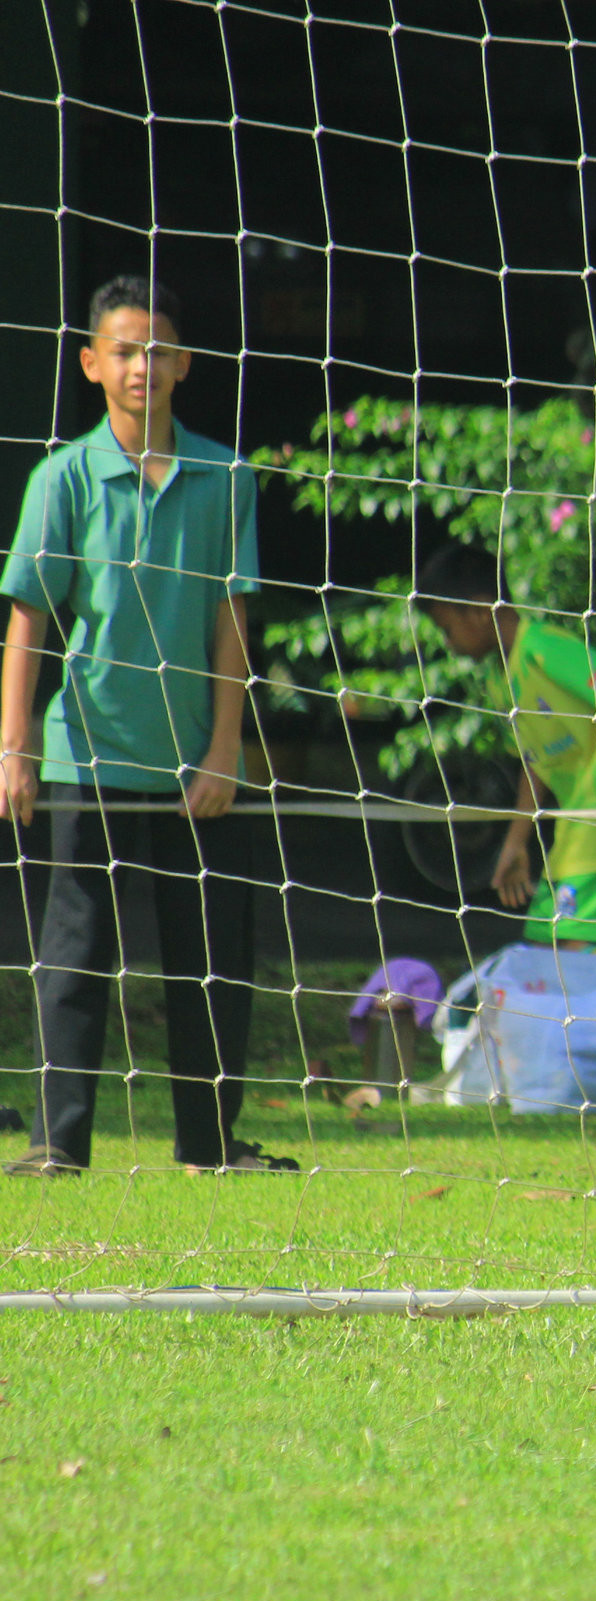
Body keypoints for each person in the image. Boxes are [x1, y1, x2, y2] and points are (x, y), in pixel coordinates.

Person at [1, 275, 279, 1178]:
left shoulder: (224, 475)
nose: (141, 366)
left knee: (209, 966)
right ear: (91, 362)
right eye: (123, 350)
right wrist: (17, 743)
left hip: (194, 766)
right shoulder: (64, 476)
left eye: (157, 350)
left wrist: (225, 749)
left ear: (184, 364)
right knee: (73, 962)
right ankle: (58, 1146)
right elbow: (30, 618)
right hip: (87, 755)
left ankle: (208, 1146)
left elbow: (232, 623)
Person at [414, 542, 596, 949]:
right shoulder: (499, 681)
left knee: (572, 952)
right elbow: (534, 762)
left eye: (447, 628)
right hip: (579, 832)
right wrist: (515, 842)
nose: (448, 643)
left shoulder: (543, 649)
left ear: (479, 610)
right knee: (548, 942)